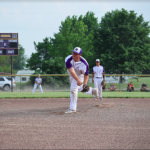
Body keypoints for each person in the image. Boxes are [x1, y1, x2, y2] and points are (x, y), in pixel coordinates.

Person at [65, 47, 99, 113]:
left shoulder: (84, 64)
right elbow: (71, 71)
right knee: (78, 88)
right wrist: (77, 80)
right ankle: (92, 91)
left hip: (80, 75)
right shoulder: (68, 59)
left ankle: (72, 108)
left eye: (76, 53)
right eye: (73, 52)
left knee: (73, 89)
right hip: (72, 74)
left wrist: (85, 84)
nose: (74, 54)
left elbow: (86, 74)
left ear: (80, 55)